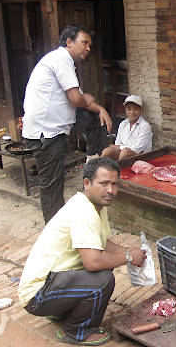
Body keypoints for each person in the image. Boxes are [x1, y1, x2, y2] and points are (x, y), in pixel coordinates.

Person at [18, 157, 146, 346]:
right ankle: (77, 331)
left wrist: (129, 250)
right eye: (104, 184)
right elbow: (93, 262)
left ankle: (62, 310)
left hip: (53, 281)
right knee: (103, 279)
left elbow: (102, 243)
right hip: (37, 295)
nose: (110, 190)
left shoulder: (95, 206)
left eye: (114, 184)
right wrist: (128, 257)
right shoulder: (84, 211)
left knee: (106, 265)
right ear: (87, 183)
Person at [22, 24, 112, 224]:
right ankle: (56, 235)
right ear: (69, 42)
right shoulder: (61, 58)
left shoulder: (64, 62)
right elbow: (77, 100)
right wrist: (85, 98)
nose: (88, 48)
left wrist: (100, 109)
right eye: (84, 43)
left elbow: (80, 100)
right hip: (46, 133)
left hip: (58, 126)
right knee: (52, 186)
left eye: (90, 44)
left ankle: (93, 162)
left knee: (94, 120)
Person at [101, 95, 153, 161]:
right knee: (107, 151)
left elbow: (136, 149)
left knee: (125, 152)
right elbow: (118, 143)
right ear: (125, 110)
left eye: (136, 109)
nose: (132, 112)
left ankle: (118, 169)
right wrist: (118, 148)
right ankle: (100, 168)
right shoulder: (123, 124)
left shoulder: (145, 126)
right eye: (129, 109)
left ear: (141, 110)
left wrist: (120, 148)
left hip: (140, 156)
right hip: (123, 154)